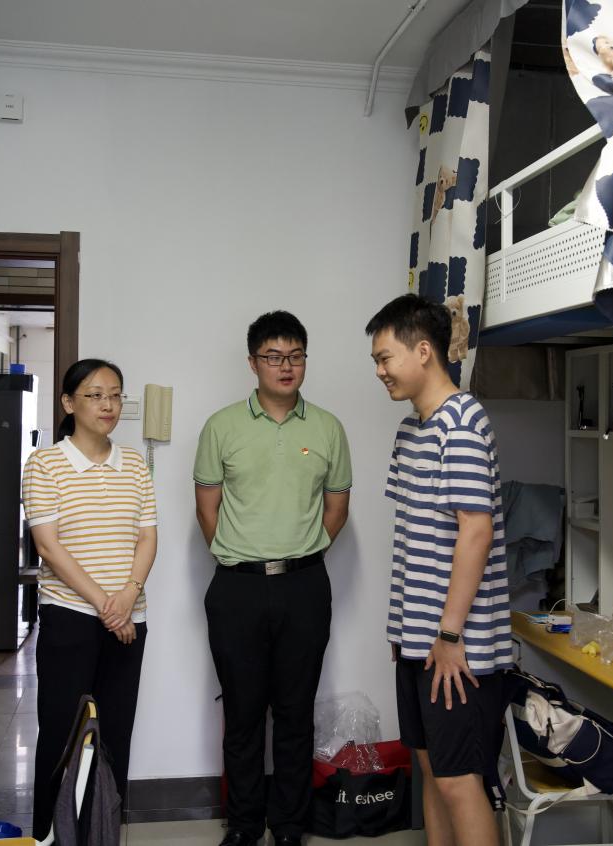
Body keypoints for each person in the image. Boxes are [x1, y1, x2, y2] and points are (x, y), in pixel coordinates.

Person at [193, 311, 352, 846]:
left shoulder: (328, 427)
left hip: (304, 586)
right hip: (236, 587)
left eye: (295, 356)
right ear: (253, 362)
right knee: (242, 715)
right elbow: (207, 510)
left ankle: (288, 826)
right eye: (274, 356)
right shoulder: (221, 427)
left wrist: (303, 554)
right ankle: (243, 826)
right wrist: (240, 556)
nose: (286, 366)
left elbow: (337, 509)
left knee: (294, 713)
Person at [365, 293, 511, 846]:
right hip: (419, 641)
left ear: (423, 351)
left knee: (459, 782)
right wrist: (403, 630)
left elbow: (476, 532)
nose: (379, 371)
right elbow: (415, 536)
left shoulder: (463, 424)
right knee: (431, 770)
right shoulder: (412, 430)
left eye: (385, 358)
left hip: (456, 648)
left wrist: (449, 634)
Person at [21, 358, 157, 839]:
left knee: (115, 738)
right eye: (95, 395)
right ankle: (50, 836)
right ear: (68, 403)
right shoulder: (45, 464)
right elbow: (47, 545)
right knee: (62, 737)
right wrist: (106, 605)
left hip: (129, 620)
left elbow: (147, 538)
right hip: (71, 619)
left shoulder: (134, 463)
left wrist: (128, 596)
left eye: (115, 395)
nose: (108, 405)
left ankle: (103, 834)